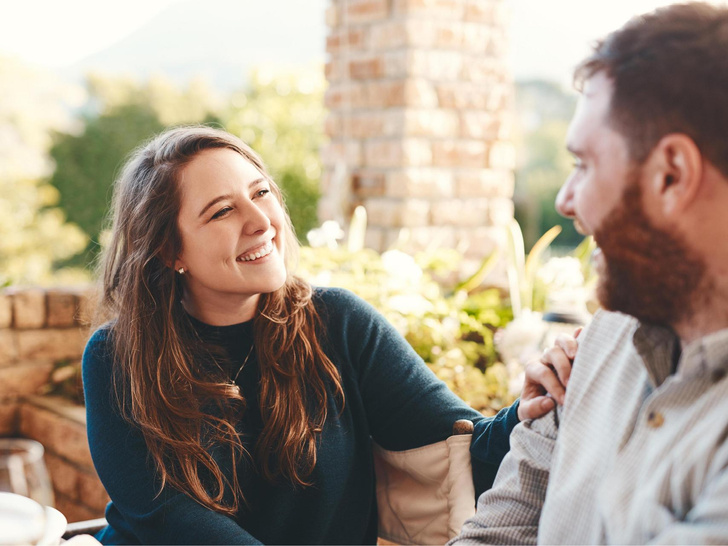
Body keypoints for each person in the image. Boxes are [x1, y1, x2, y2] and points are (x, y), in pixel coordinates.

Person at [82, 126, 557, 545]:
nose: (260, 221)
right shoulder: (116, 356)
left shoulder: (338, 323)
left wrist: (531, 408)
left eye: (261, 192)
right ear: (169, 250)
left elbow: (462, 454)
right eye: (222, 211)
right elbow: (169, 519)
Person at [452, 2, 728, 544]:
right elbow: (490, 536)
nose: (565, 199)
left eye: (583, 164)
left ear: (672, 175)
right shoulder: (599, 343)